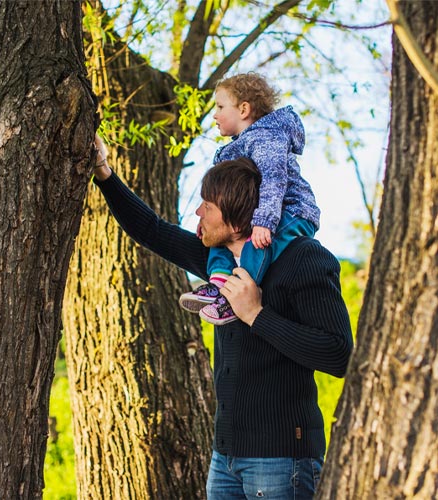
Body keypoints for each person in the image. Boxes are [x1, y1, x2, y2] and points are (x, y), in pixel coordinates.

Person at [92, 137, 353, 499]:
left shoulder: (304, 258)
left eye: (207, 206)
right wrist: (104, 173)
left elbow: (339, 354)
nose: (198, 213)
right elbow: (151, 229)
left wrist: (256, 315)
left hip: (282, 461)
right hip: (225, 459)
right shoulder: (219, 262)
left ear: (235, 218)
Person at [179, 73, 321, 326]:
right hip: (260, 215)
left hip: (291, 211)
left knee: (257, 245)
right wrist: (208, 222)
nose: (215, 114)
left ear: (244, 109)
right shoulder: (236, 148)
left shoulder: (266, 137)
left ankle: (238, 296)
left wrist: (264, 221)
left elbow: (274, 180)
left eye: (221, 107)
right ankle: (219, 283)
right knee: (219, 240)